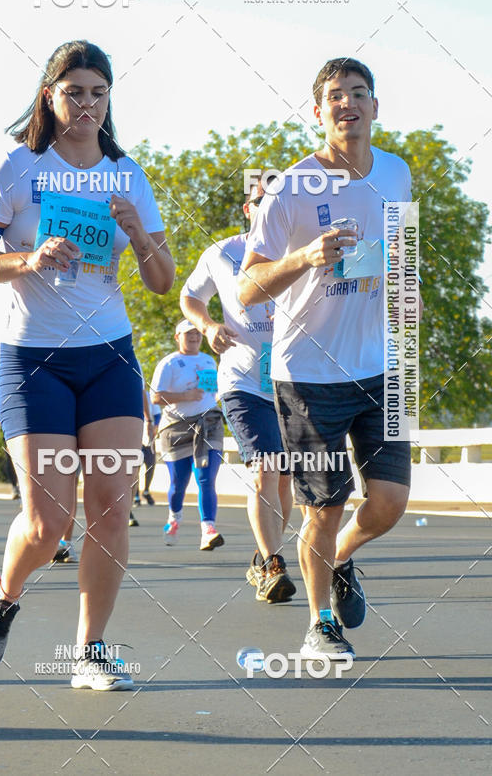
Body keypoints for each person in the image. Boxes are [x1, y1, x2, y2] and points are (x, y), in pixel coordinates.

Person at [0, 40, 174, 690]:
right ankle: (4, 591)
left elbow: (163, 281)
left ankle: (91, 651)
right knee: (50, 520)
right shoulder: (15, 168)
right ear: (49, 96)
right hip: (35, 360)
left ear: (109, 101)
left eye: (98, 93)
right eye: (74, 90)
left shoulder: (127, 172)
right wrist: (26, 260)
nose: (86, 103)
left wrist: (139, 235)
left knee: (110, 506)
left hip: (109, 355)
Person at [239, 57, 420, 659]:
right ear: (318, 112)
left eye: (359, 94)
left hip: (384, 366)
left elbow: (397, 252)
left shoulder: (395, 174)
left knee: (390, 502)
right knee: (325, 504)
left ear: (375, 107)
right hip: (309, 373)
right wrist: (305, 258)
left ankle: (341, 559)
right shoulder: (287, 188)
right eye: (335, 96)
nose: (348, 104)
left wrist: (405, 288)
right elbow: (246, 287)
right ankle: (321, 625)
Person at [180, 182, 296, 603]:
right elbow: (189, 296)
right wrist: (208, 326)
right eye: (263, 204)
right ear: (249, 209)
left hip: (292, 380)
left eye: (278, 204)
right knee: (265, 469)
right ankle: (273, 564)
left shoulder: (300, 250)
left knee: (284, 482)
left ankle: (263, 558)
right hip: (242, 381)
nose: (270, 210)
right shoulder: (222, 253)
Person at [151, 320, 224, 551]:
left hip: (207, 423)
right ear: (177, 337)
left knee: (205, 477)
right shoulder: (169, 363)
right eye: (188, 334)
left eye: (197, 333)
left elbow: (212, 391)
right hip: (176, 427)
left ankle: (208, 530)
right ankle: (174, 518)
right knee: (178, 482)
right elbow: (156, 398)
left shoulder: (208, 360)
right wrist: (185, 396)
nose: (193, 337)